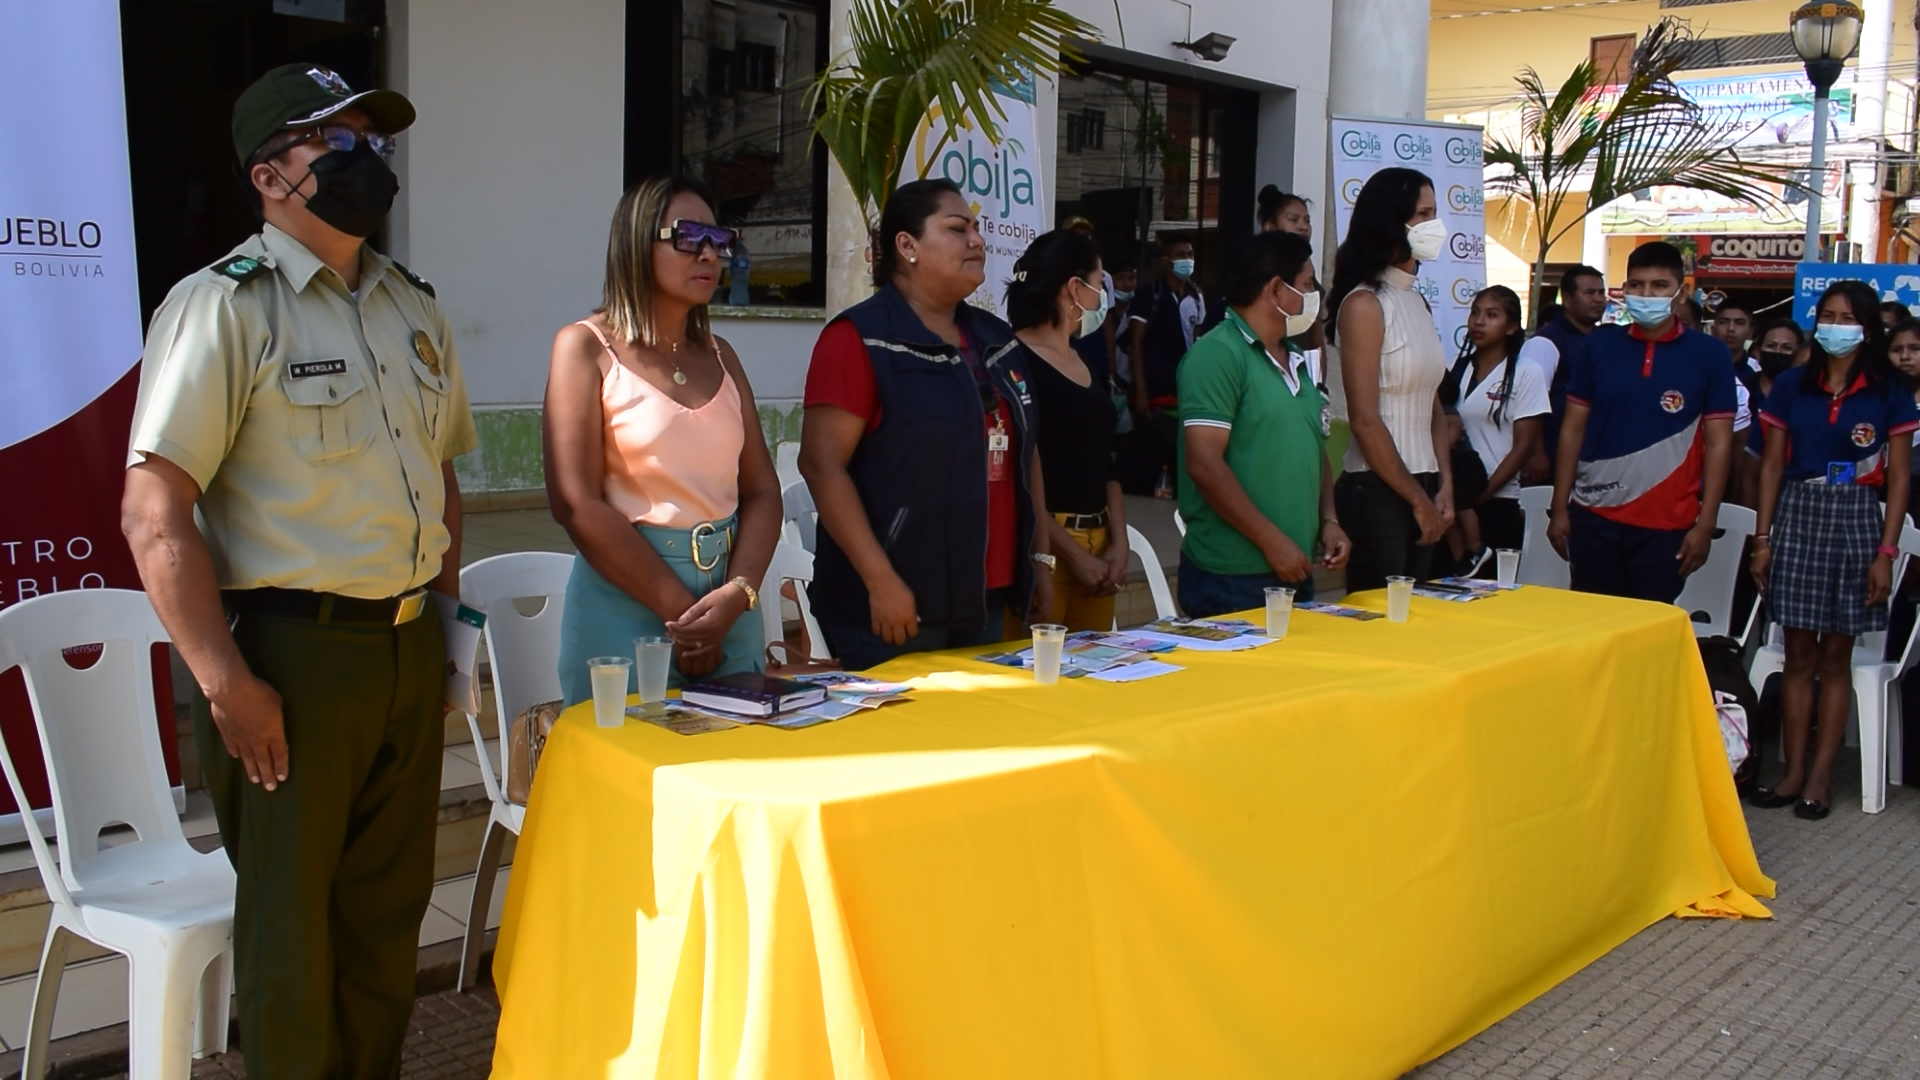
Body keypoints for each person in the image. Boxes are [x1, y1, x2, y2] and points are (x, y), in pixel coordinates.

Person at [119, 65, 472, 1078]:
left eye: (376, 142)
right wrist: (224, 681)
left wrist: (447, 635)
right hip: (289, 659)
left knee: (383, 923)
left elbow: (440, 482)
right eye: (340, 142)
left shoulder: (413, 307)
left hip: (404, 651)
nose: (369, 162)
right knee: (290, 938)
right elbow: (156, 511)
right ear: (271, 174)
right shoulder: (225, 307)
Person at [544, 177, 781, 705]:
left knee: (735, 769)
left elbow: (762, 491)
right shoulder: (584, 347)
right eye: (688, 235)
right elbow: (575, 502)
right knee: (629, 774)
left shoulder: (722, 354)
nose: (708, 253)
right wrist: (682, 612)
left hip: (727, 604)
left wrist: (736, 595)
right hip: (627, 598)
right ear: (635, 241)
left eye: (719, 240)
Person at [799, 179, 1049, 670]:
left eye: (976, 229)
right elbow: (822, 465)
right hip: (894, 610)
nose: (977, 240)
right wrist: (880, 580)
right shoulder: (860, 339)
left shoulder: (996, 340)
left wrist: (1039, 561)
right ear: (906, 246)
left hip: (987, 598)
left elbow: (1027, 453)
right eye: (958, 229)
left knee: (980, 741)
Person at [1749, 280, 1916, 820]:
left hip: (1858, 520)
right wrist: (1762, 537)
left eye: (1847, 318)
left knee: (1835, 657)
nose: (1835, 327)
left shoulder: (1887, 390)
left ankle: (1821, 776)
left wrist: (1886, 554)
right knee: (1797, 654)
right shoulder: (1794, 384)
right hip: (1797, 514)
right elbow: (1771, 465)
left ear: (1867, 328)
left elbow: (1896, 481)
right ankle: (1792, 770)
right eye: (1827, 316)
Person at [1547, 241, 1736, 603]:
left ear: (1680, 293)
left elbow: (1719, 443)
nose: (1646, 294)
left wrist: (1706, 522)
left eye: (1659, 286)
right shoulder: (1597, 347)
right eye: (1636, 285)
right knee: (1595, 629)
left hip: (1668, 525)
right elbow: (1572, 429)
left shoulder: (1710, 354)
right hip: (1593, 515)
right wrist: (1559, 507)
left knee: (1648, 633)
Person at [1178, 230, 1351, 616]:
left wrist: (1328, 520)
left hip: (1293, 567)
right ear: (1275, 290)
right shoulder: (1218, 355)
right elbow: (1204, 464)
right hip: (1232, 577)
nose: (1314, 296)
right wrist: (1272, 541)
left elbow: (1315, 447)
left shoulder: (1298, 361)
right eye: (1307, 285)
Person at [1325, 167, 1453, 591]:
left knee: (1413, 620)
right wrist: (1417, 500)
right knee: (1381, 623)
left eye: (1434, 212)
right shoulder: (1364, 304)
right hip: (1374, 491)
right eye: (1423, 214)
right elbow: (1365, 420)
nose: (1433, 225)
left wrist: (1443, 485)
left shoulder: (1417, 301)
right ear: (1391, 221)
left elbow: (1433, 406)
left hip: (1425, 483)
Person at [1004, 229, 1129, 632]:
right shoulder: (1014, 362)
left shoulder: (1084, 359)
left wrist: (1119, 542)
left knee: (1090, 679)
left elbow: (1107, 460)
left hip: (1101, 544)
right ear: (1074, 289)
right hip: (1044, 548)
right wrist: (1073, 556)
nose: (1102, 299)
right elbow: (1018, 475)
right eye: (1098, 285)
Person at [1442, 286, 1549, 558]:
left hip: (1499, 499)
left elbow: (1524, 447)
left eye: (1492, 315)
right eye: (1475, 313)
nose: (1479, 321)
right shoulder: (1457, 366)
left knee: (1490, 592)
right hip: (1449, 497)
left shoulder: (1526, 372)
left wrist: (1482, 494)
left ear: (1511, 326)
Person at [1127, 235, 1206, 488]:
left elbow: (1197, 342)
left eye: (1190, 254)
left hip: (1183, 393)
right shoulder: (1149, 294)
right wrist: (1141, 389)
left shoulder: (1196, 296)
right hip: (1154, 393)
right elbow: (1136, 343)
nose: (1187, 260)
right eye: (1181, 254)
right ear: (1166, 261)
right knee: (1150, 457)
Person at [1518, 264, 1606, 481]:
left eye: (1601, 292)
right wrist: (1536, 453)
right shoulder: (1545, 342)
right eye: (1589, 293)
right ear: (1567, 299)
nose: (1598, 299)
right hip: (1551, 458)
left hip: (1590, 460)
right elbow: (1528, 402)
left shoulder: (1601, 340)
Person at [1710, 300, 1754, 369]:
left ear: (1750, 332)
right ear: (1712, 330)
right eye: (1723, 322)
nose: (1731, 328)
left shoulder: (1757, 371)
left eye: (1739, 323)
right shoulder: (1698, 367)